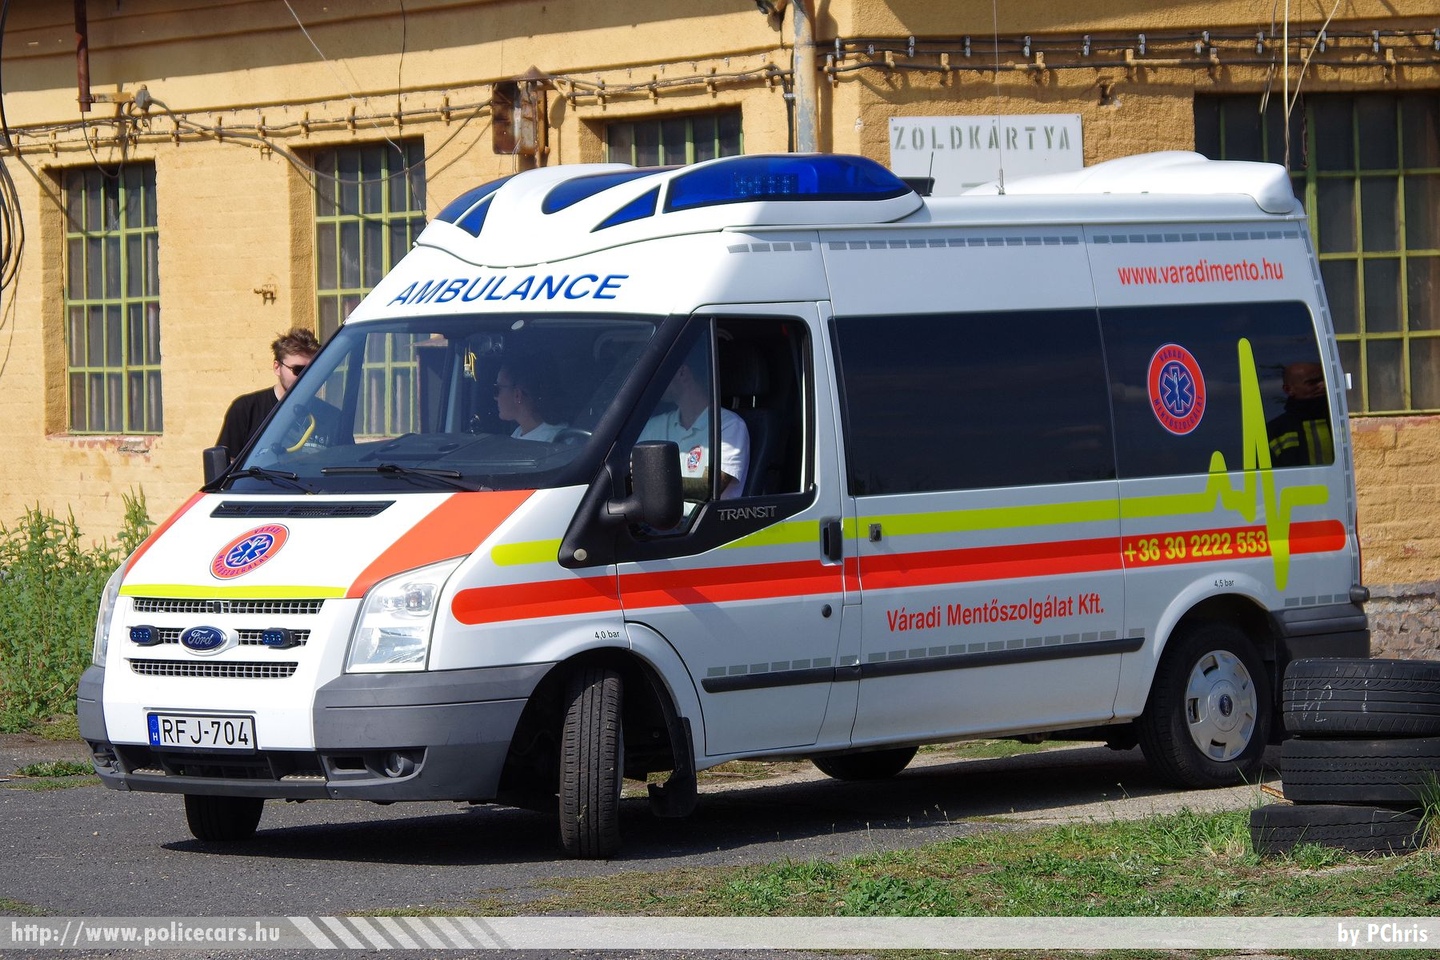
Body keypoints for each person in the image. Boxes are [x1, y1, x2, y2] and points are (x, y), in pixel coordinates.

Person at [639, 340, 750, 500]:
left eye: (661, 371)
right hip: (653, 523)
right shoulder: (654, 426)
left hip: (702, 523)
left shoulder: (729, 425)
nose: (656, 380)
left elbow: (709, 487)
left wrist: (650, 484)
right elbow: (626, 475)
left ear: (682, 373)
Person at [216, 328, 321, 460]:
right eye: (298, 370)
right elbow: (227, 464)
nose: (305, 376)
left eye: (312, 370)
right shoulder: (246, 409)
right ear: (277, 367)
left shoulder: (331, 416)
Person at [1267, 361, 1334, 467]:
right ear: (1288, 390)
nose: (1323, 385)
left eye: (1324, 379)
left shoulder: (1341, 419)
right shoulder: (1275, 431)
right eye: (1312, 382)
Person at [495, 355, 564, 441]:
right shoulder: (519, 433)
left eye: (497, 389)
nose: (495, 397)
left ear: (517, 395)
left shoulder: (558, 440)